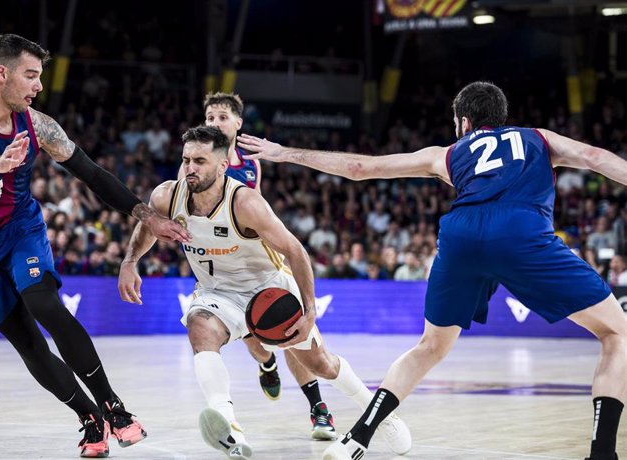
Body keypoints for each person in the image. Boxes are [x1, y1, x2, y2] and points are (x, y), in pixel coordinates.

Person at [237, 81, 627, 460]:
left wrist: (284, 152)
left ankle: (357, 438)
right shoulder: (539, 138)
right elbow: (595, 158)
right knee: (616, 332)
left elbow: (359, 167)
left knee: (429, 347)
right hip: (521, 231)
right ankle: (602, 452)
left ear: (463, 122)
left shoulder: (448, 153)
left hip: (460, 237)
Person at [0, 34, 191, 457]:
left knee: (45, 305)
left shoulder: (38, 125)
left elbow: (91, 173)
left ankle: (114, 407)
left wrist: (147, 215)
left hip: (19, 229)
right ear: (2, 74)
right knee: (26, 343)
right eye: (31, 75)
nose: (38, 86)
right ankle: (88, 417)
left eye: (40, 76)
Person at [117, 126, 411, 459]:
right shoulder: (168, 195)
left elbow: (295, 250)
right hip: (218, 293)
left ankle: (378, 412)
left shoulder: (245, 203)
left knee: (322, 365)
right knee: (199, 326)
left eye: (200, 161)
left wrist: (310, 311)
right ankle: (228, 425)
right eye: (186, 160)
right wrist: (130, 261)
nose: (190, 168)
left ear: (222, 165)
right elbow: (147, 225)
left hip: (268, 292)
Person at [173, 91, 338, 438]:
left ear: (238, 124)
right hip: (221, 265)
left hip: (261, 260)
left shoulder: (251, 164)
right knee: (249, 334)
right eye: (210, 117)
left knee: (288, 331)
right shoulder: (193, 166)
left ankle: (318, 408)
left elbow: (256, 210)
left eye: (222, 117)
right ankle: (265, 363)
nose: (215, 123)